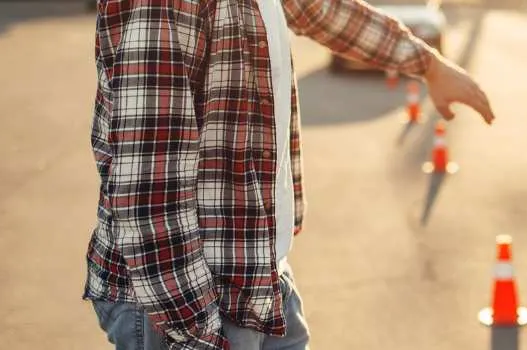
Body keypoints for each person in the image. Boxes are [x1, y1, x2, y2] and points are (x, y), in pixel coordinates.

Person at [84, 0, 495, 348]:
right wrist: (195, 334)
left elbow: (321, 9)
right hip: (187, 302)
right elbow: (148, 186)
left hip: (255, 273)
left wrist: (428, 64)